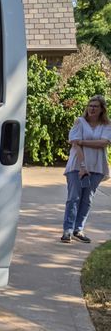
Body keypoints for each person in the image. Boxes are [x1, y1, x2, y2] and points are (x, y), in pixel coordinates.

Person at [61, 94, 111, 243]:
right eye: (90, 106)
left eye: (96, 106)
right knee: (73, 198)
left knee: (87, 199)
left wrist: (83, 141)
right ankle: (67, 230)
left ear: (102, 109)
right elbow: (75, 144)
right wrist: (83, 166)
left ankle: (79, 229)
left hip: (97, 167)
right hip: (77, 165)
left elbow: (103, 143)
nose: (92, 108)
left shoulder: (106, 125)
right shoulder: (79, 122)